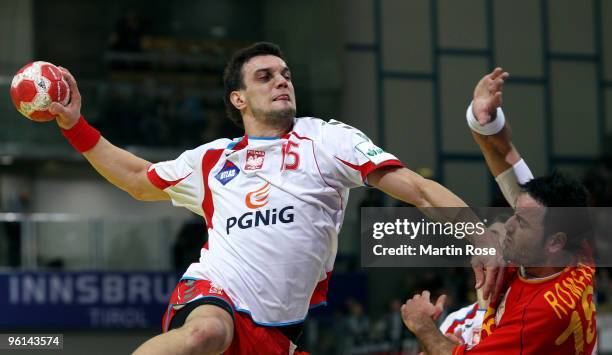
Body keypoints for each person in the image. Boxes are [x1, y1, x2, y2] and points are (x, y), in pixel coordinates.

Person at [49, 42, 501, 355]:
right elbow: (134, 177)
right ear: (239, 98)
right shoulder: (211, 159)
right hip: (216, 290)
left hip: (278, 328)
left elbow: (419, 189)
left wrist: (478, 236)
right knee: (202, 334)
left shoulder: (326, 140)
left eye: (285, 75)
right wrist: (75, 126)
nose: (281, 82)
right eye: (265, 77)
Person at [401, 68, 597, 354]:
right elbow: (504, 155)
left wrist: (423, 327)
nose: (508, 227)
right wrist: (485, 120)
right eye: (513, 215)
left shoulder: (541, 312)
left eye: (523, 224)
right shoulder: (572, 245)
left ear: (555, 242)